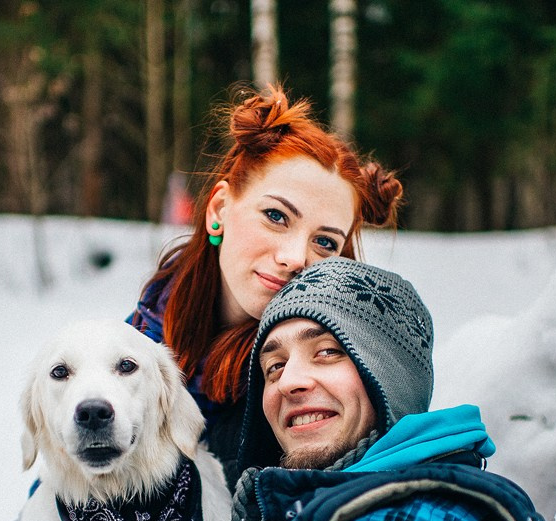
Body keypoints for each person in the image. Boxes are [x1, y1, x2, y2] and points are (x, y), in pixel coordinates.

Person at [214, 257, 556, 521]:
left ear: (390, 378)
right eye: (274, 366)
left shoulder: (421, 518)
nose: (288, 382)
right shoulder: (302, 517)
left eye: (327, 351)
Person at [129, 85, 403, 487]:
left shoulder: (317, 384)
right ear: (219, 209)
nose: (295, 257)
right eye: (276, 216)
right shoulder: (140, 333)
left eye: (325, 242)